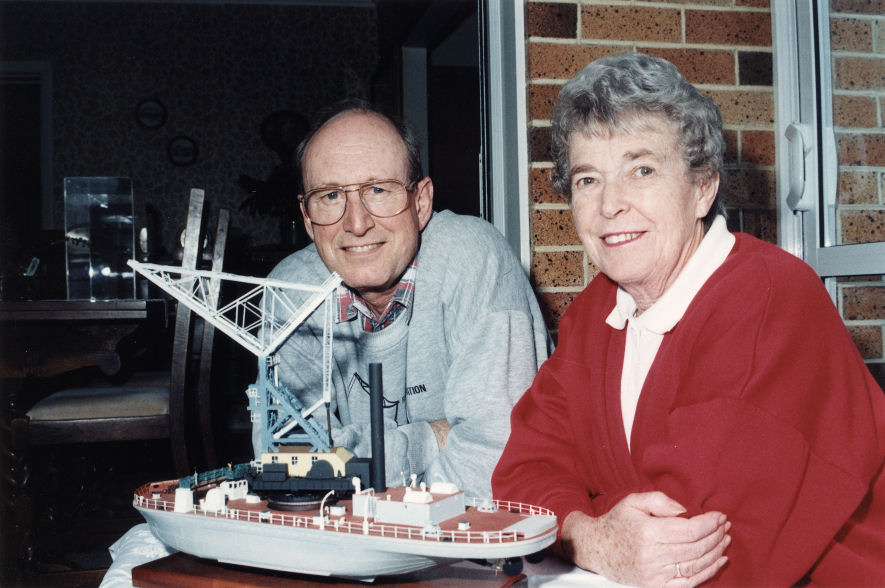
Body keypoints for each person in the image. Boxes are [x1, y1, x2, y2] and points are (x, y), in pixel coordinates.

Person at [492, 52, 885, 587]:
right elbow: (519, 474)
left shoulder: (767, 297)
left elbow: (698, 547)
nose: (610, 205)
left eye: (643, 169)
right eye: (588, 180)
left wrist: (583, 516)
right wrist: (591, 533)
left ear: (702, 187)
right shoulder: (596, 313)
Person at [254, 98, 551, 499]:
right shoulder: (290, 292)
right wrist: (430, 438)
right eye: (329, 197)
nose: (356, 224)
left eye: (378, 190)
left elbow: (498, 465)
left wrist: (362, 469)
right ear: (307, 219)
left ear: (421, 202)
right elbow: (293, 468)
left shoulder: (472, 256)